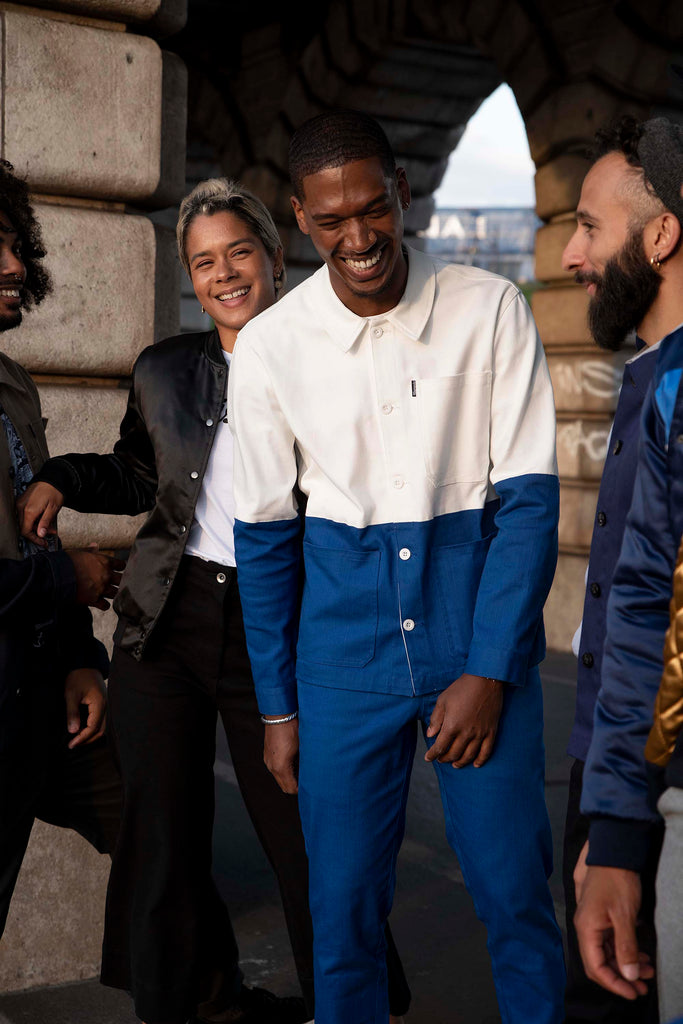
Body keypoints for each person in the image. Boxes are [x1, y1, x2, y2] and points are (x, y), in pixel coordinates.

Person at [18, 178, 410, 1024]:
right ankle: (193, 1006)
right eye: (202, 262)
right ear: (189, 278)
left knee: (308, 830)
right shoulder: (165, 369)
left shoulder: (338, 364)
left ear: (274, 257)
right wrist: (59, 477)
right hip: (165, 619)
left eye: (238, 252)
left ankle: (353, 1004)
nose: (223, 274)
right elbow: (136, 477)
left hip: (284, 622)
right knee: (159, 831)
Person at [227, 108, 566, 1024]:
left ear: (401, 193)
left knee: (514, 897)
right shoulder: (268, 350)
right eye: (332, 220)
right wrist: (278, 708)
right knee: (341, 921)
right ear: (301, 217)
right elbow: (262, 541)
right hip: (342, 660)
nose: (358, 236)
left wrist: (490, 670)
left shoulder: (489, 308)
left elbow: (529, 507)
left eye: (372, 209)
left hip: (474, 642)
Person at [569, 117, 683, 1006]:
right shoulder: (652, 373)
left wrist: (615, 828)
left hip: (648, 784)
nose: (570, 254)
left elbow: (649, 603)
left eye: (589, 227)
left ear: (660, 235)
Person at [0, 160, 123, 938]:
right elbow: (47, 565)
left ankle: (216, 1001)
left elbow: (31, 537)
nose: (14, 266)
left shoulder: (15, 383)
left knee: (160, 835)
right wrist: (69, 578)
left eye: (15, 245)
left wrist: (82, 656)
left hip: (46, 692)